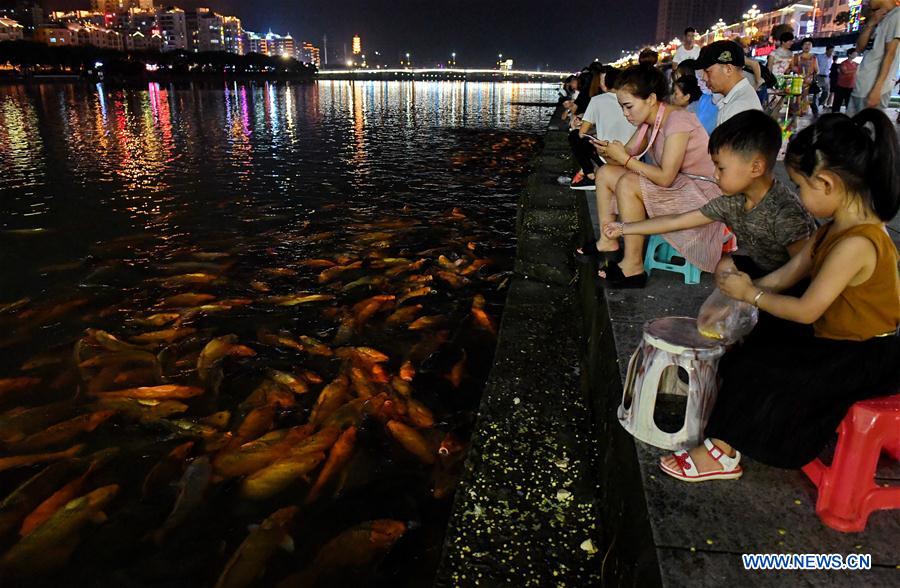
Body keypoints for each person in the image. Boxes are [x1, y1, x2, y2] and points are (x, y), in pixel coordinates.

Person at [659, 109, 900, 481]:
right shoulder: (832, 230)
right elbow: (788, 275)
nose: (798, 196)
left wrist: (752, 295)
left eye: (800, 186)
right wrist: (738, 292)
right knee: (752, 344)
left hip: (864, 355)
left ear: (827, 184)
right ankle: (725, 432)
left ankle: (723, 452)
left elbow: (806, 310)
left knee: (765, 370)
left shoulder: (859, 242)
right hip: (836, 337)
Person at [601, 110, 816, 280]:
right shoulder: (731, 201)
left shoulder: (785, 213)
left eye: (720, 168)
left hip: (793, 281)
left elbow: (804, 269)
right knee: (724, 267)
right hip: (763, 269)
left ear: (756, 167)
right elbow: (677, 221)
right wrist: (624, 228)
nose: (714, 175)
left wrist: (758, 293)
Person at [582, 65, 725, 288]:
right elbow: (621, 159)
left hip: (700, 194)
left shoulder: (678, 120)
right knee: (605, 173)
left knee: (629, 182)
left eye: (629, 106)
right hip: (680, 186)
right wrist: (608, 152)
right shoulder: (649, 123)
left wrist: (624, 158)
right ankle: (607, 240)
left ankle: (633, 266)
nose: (625, 113)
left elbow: (665, 177)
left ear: (650, 99)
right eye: (622, 107)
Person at [570, 67, 637, 190]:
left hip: (608, 155)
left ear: (606, 83)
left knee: (575, 136)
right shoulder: (634, 100)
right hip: (633, 155)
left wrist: (577, 126)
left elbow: (582, 133)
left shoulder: (597, 100)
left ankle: (590, 175)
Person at [849, 0, 900, 114]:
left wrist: (877, 89)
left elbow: (890, 55)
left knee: (869, 124)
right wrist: (870, 24)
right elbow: (860, 48)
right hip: (861, 86)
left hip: (874, 90)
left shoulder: (897, 15)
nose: (865, 1)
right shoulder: (879, 17)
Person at [695, 40, 762, 126]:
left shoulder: (738, 108)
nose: (704, 78)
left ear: (728, 69)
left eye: (708, 72)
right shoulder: (738, 98)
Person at [791, 38, 819, 117]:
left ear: (812, 46)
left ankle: (806, 112)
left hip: (808, 83)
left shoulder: (814, 58)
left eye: (809, 44)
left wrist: (811, 76)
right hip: (797, 83)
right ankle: (795, 114)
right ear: (802, 46)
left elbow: (817, 70)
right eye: (805, 44)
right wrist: (795, 69)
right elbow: (792, 67)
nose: (807, 46)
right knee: (796, 100)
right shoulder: (796, 56)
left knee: (807, 100)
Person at [832, 48, 859, 113]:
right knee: (837, 102)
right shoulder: (844, 63)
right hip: (841, 86)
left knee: (849, 103)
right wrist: (856, 70)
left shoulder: (855, 64)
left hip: (851, 86)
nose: (856, 54)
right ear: (849, 54)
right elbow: (845, 72)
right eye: (854, 53)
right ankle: (835, 115)